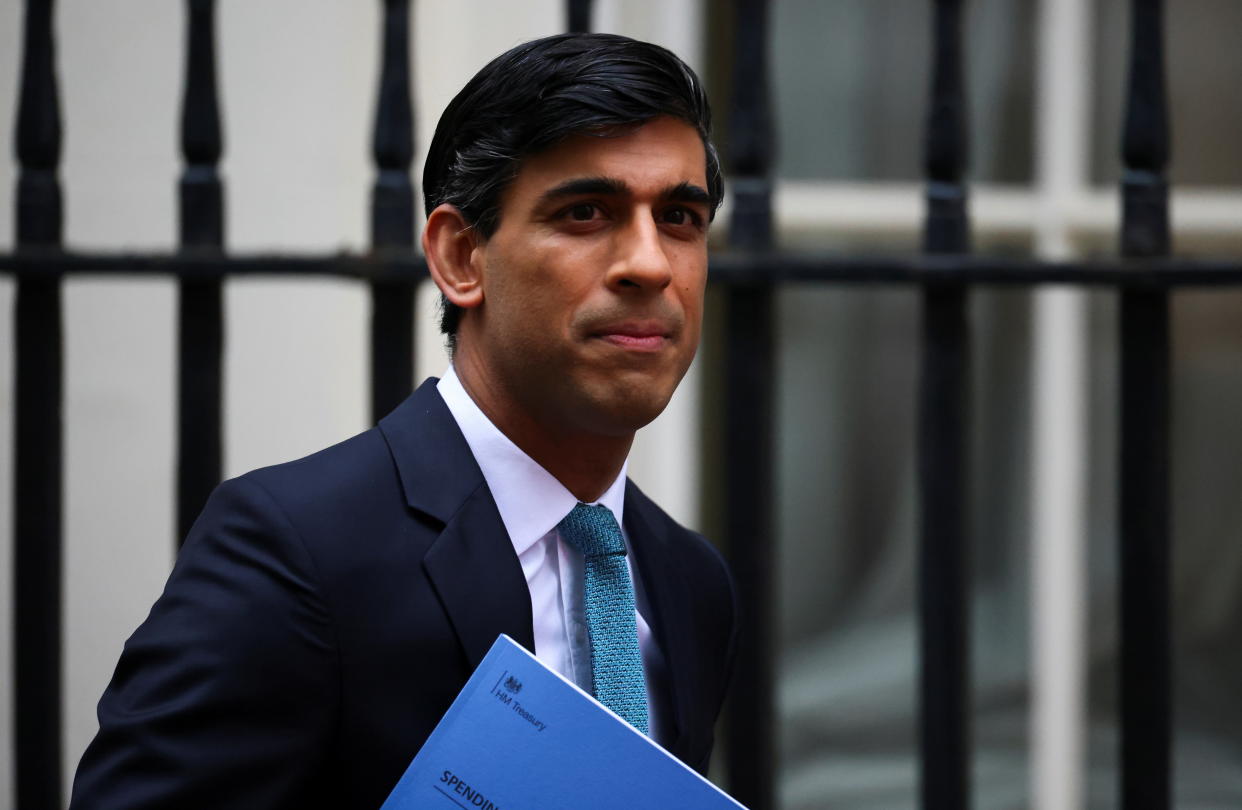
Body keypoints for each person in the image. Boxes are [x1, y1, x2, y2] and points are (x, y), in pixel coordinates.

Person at [70, 32, 736, 808]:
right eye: (587, 212)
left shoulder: (690, 582)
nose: (651, 263)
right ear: (460, 257)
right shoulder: (296, 548)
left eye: (681, 218)